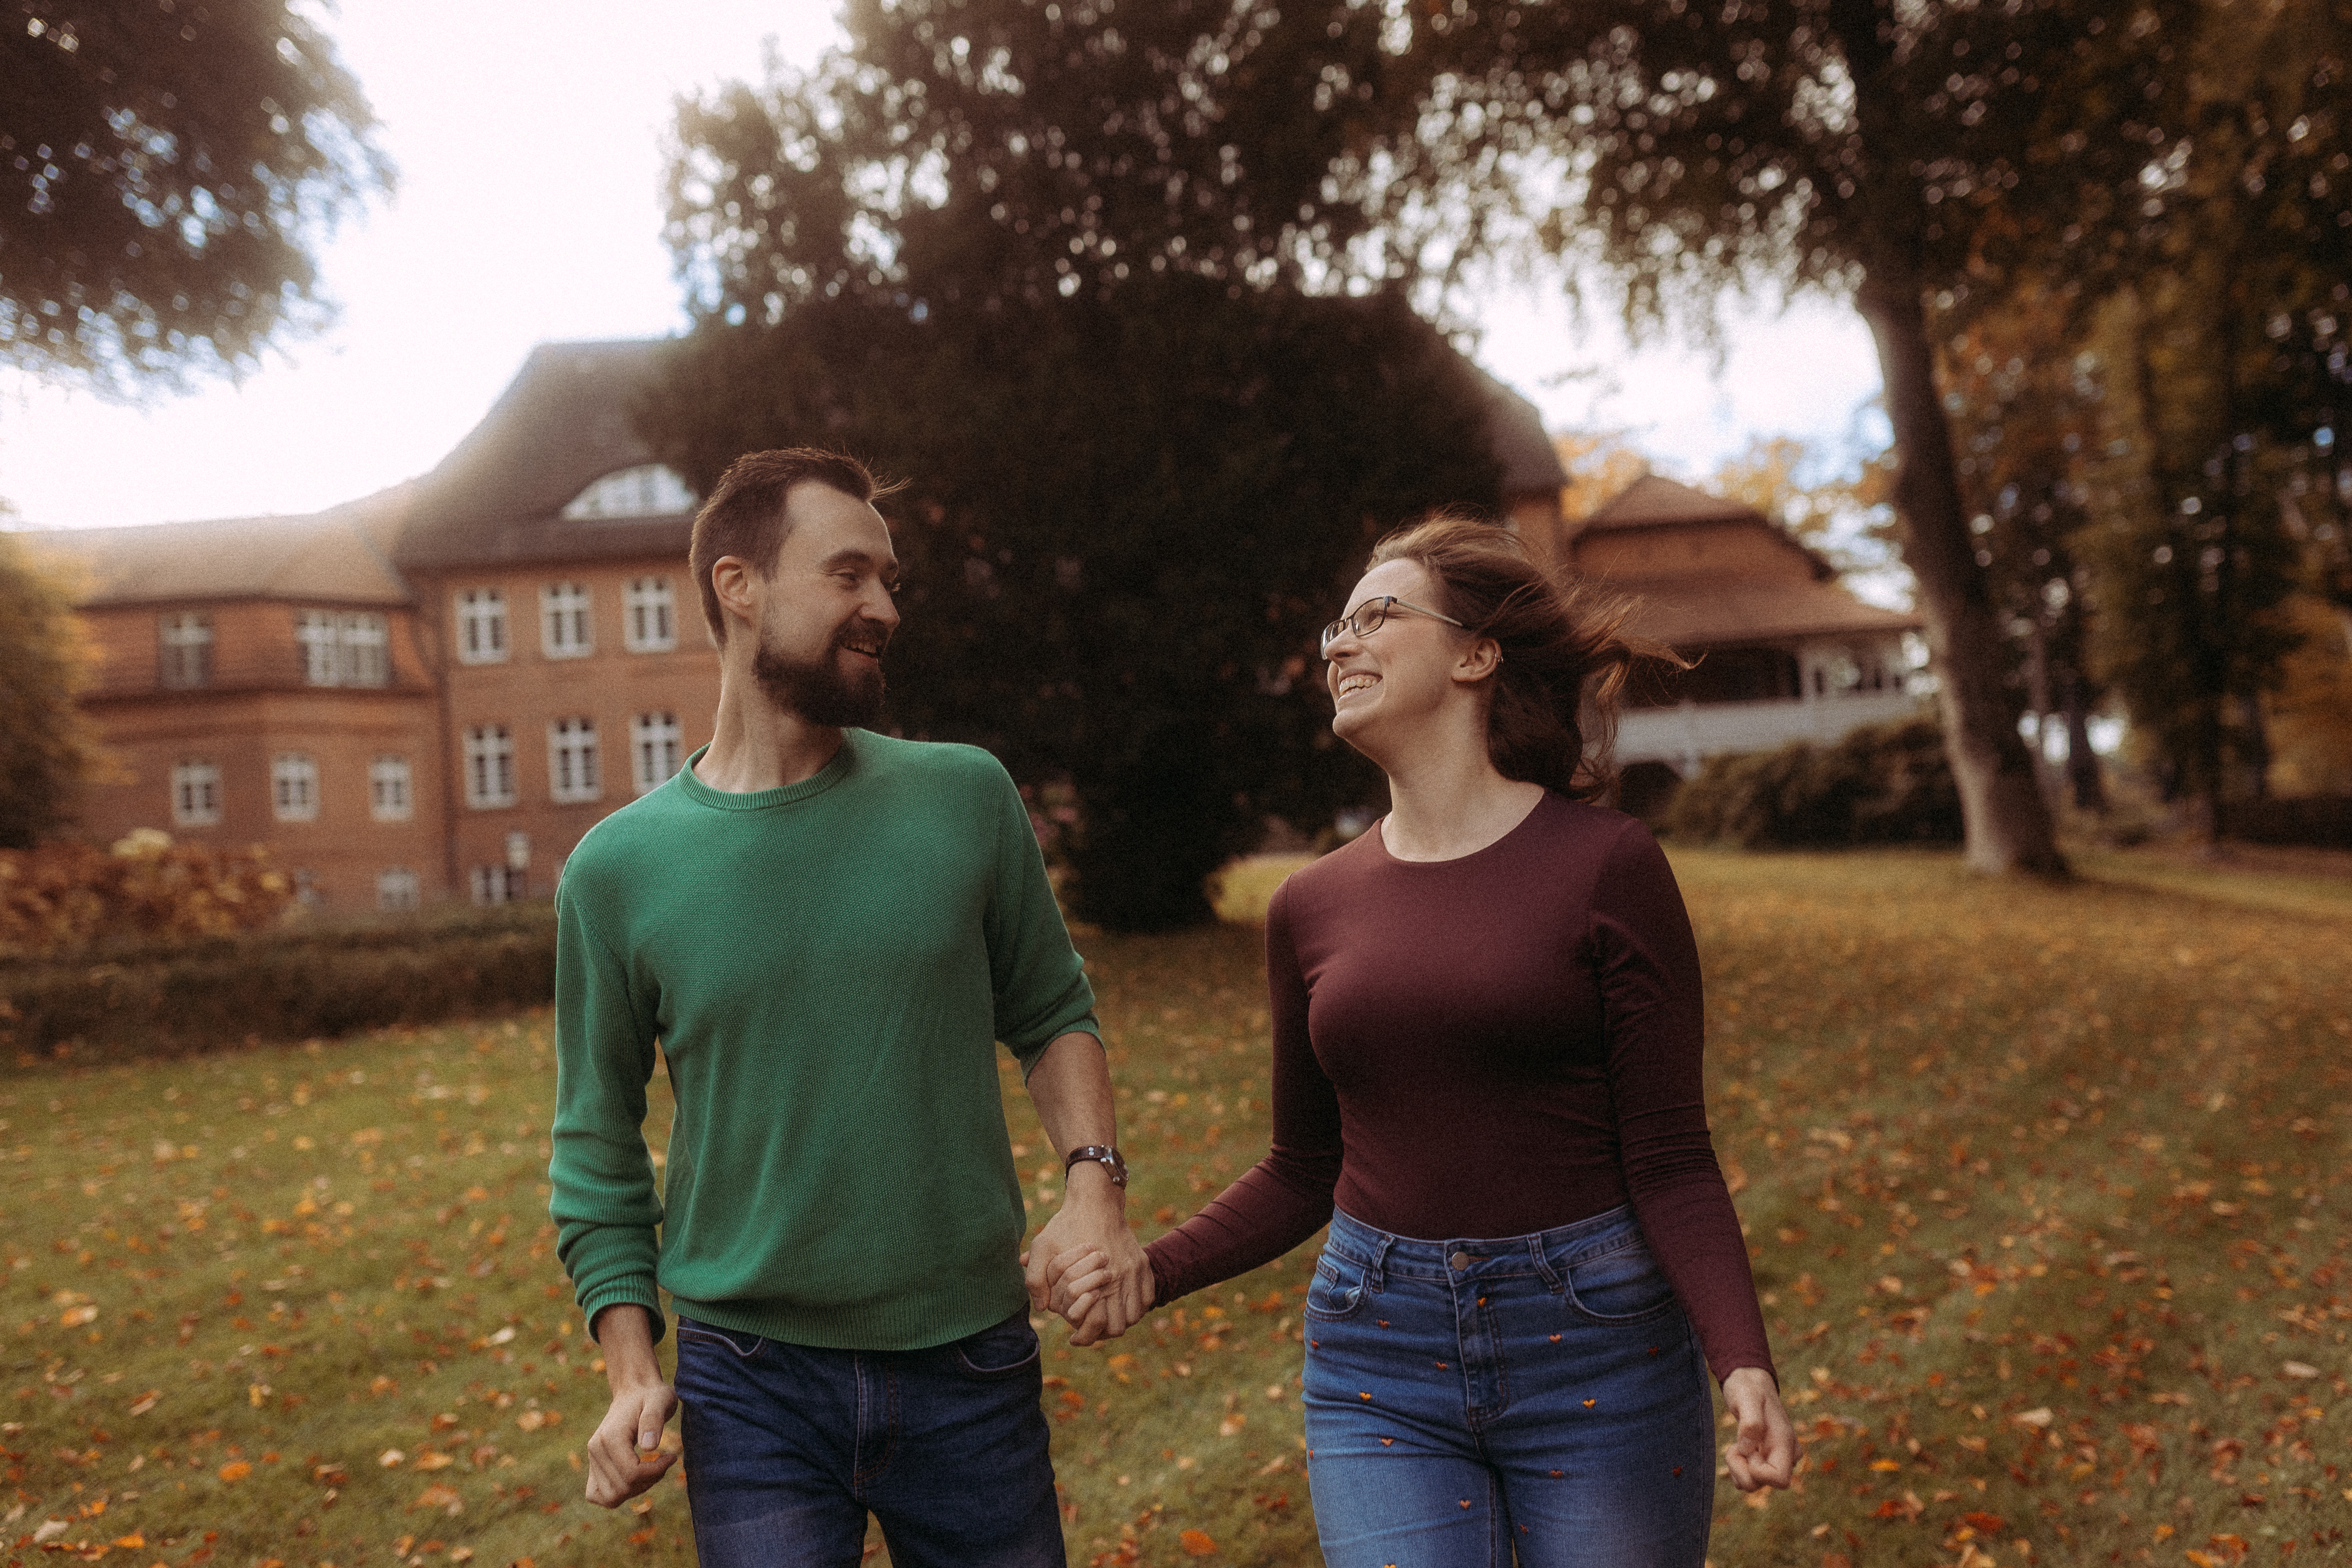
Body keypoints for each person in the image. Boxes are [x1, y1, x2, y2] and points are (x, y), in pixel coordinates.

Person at [1049, 511, 1796, 1568]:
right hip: (1377, 1352)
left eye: (1378, 616)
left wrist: (1743, 1362)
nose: (1340, 645)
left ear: (1476, 654)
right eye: (1335, 629)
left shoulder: (1608, 867)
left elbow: (1670, 1158)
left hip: (1596, 1354)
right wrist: (1149, 1270)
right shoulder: (1309, 905)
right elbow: (1306, 1168)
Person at [548, 447, 1152, 1568]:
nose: (883, 608)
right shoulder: (616, 871)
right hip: (750, 1383)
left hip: (969, 1363)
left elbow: (1053, 1010)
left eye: (890, 580)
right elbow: (595, 1140)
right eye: (849, 575)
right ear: (740, 587)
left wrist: (1094, 1190)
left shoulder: (964, 796)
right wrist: (633, 1371)